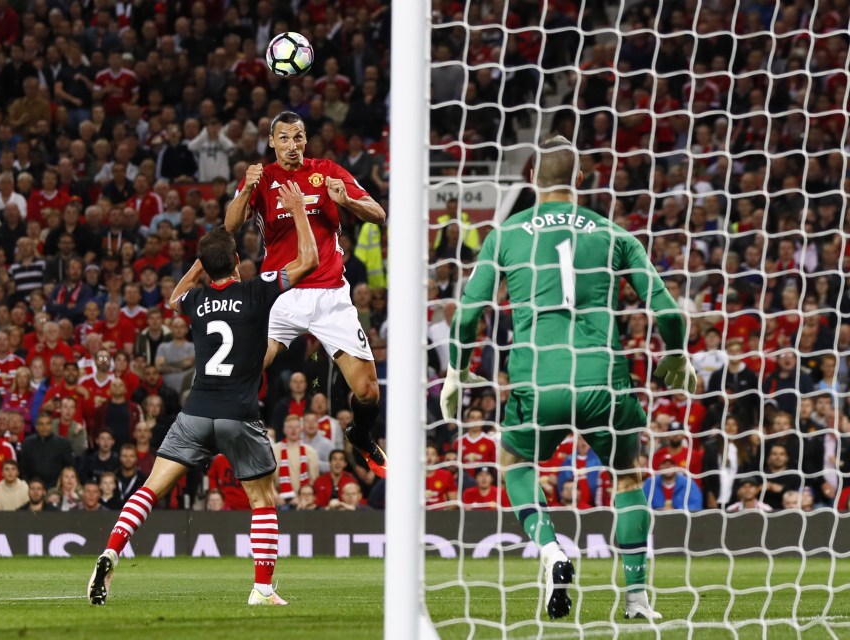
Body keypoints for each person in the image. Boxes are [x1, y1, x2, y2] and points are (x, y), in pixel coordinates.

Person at [440, 137, 698, 621]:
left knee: (514, 460)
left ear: (534, 179)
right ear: (581, 180)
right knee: (627, 479)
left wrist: (456, 371)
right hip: (605, 379)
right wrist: (678, 356)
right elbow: (666, 309)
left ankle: (551, 550)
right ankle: (637, 597)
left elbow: (468, 313)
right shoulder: (614, 233)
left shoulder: (507, 233)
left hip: (537, 377)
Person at [88, 180, 318, 607]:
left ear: (203, 265)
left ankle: (111, 551)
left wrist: (201, 264)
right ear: (235, 261)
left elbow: (174, 298)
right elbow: (309, 261)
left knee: (148, 489)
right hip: (238, 413)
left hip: (195, 412)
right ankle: (262, 588)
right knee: (262, 499)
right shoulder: (255, 290)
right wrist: (300, 210)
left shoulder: (194, 303)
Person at [225, 111, 388, 476]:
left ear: (305, 140)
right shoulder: (262, 178)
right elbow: (230, 226)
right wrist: (247, 189)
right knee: (244, 370)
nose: (292, 145)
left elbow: (378, 214)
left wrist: (346, 200)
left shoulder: (327, 171)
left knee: (367, 393)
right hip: (280, 293)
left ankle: (360, 435)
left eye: (298, 138)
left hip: (330, 295)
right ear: (271, 142)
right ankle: (229, 439)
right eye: (283, 138)